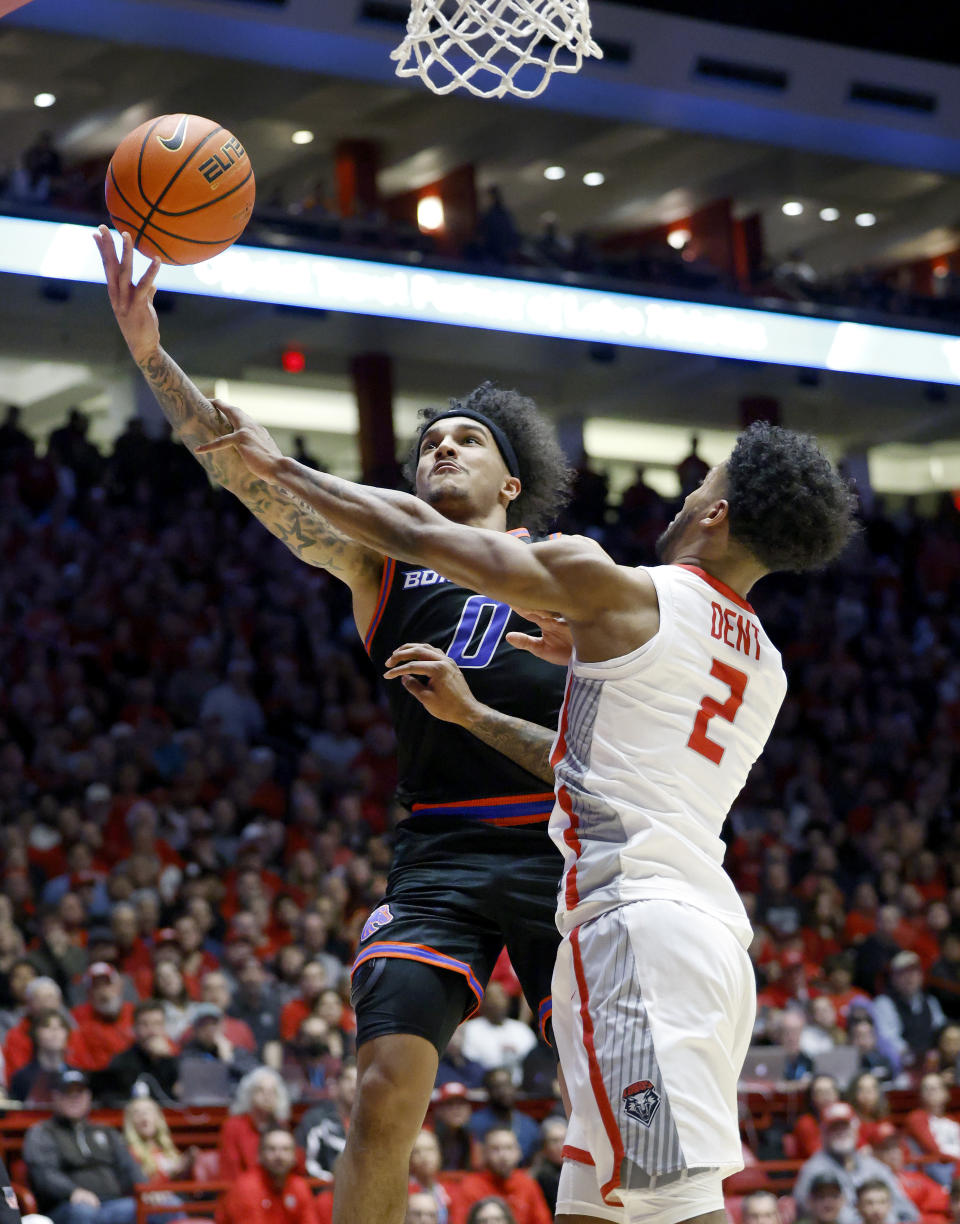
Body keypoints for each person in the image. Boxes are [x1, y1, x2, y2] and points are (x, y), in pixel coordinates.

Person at [201, 390, 858, 1224]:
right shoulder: (763, 662)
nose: (687, 495)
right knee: (603, 1205)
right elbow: (606, 761)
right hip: (712, 936)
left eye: (701, 487)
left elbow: (418, 536)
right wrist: (491, 708)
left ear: (716, 513)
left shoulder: (618, 592)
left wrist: (274, 464)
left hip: (632, 931)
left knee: (675, 1207)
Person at [95, 228, 572, 1224]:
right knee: (384, 1090)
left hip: (560, 847)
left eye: (464, 440)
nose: (440, 447)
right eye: (428, 442)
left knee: (602, 1098)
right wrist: (150, 356)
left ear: (511, 485)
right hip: (438, 852)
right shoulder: (384, 565)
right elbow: (250, 475)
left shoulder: (568, 564)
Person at [23, 1070, 143, 1224]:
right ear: (55, 1097)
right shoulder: (42, 1132)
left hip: (113, 1203)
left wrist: (146, 1190)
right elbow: (44, 1174)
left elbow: (129, 1167)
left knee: (165, 1205)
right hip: (66, 1205)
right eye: (68, 1093)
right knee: (84, 1212)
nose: (75, 1099)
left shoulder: (106, 1131)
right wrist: (72, 1191)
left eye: (79, 1093)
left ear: (89, 1097)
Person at [793, 1103, 918, 1224]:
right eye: (834, 1127)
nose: (841, 1132)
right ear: (824, 1133)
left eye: (845, 1126)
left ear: (855, 1129)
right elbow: (805, 1212)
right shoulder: (812, 1170)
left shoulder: (874, 1166)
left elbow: (907, 1210)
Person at [217, 1128, 319, 1224]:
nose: (279, 1155)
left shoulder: (300, 1186)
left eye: (286, 1149)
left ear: (295, 1156)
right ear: (260, 1155)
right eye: (271, 1149)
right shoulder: (247, 1187)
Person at [458, 1129, 551, 1224]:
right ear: (485, 1153)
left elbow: (543, 1221)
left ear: (519, 1152)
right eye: (495, 1149)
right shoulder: (470, 1185)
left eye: (508, 1148)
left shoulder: (527, 1184)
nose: (503, 1155)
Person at [95, 1000, 179, 1105]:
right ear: (134, 1028)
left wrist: (168, 1059)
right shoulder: (121, 1063)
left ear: (164, 1028)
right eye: (145, 1024)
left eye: (157, 1024)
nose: (152, 1031)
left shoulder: (175, 1061)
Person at [874, 954, 947, 1070]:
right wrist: (915, 1058)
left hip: (931, 1064)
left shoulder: (931, 1002)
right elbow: (888, 1039)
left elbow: (941, 1031)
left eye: (914, 972)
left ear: (921, 976)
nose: (909, 978)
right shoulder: (884, 1003)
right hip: (900, 1067)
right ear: (893, 978)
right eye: (903, 973)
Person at [220, 1068, 292, 1181]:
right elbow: (231, 1172)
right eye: (260, 1090)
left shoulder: (281, 1126)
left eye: (272, 1092)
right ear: (248, 1094)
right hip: (244, 1190)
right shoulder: (233, 1126)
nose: (267, 1096)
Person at [296, 1061, 357, 1183]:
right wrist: (335, 1183)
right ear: (336, 1086)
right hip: (325, 1190)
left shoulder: (374, 1122)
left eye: (359, 1080)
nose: (354, 1086)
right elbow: (307, 1163)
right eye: (348, 1079)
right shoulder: (316, 1120)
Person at [468, 1067, 540, 1164]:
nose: (504, 1091)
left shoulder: (529, 1124)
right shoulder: (474, 1123)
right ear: (487, 1091)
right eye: (497, 1087)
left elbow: (536, 1159)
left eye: (507, 1085)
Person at [123, 1096, 195, 1183]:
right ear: (131, 1121)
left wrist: (187, 1165)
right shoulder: (129, 1153)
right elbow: (141, 1183)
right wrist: (174, 1172)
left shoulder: (168, 1149)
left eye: (148, 1111)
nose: (143, 1116)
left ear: (158, 1117)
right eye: (137, 1113)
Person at [8, 1009, 73, 1104]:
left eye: (61, 1027)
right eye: (47, 1026)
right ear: (35, 1034)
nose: (54, 1031)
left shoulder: (76, 1074)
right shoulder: (21, 1077)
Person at [529, 1118, 566, 1217]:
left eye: (564, 1139)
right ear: (544, 1146)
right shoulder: (538, 1176)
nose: (560, 1145)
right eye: (554, 1141)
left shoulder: (579, 1170)